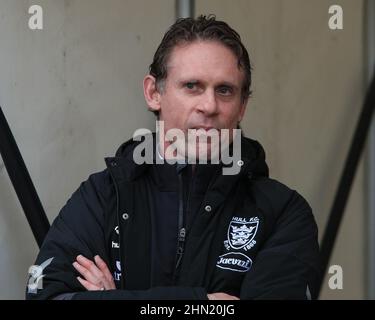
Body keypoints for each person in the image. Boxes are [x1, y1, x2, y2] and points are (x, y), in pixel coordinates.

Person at [26, 15, 320, 300]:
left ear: (242, 106)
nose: (209, 105)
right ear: (154, 93)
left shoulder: (282, 213)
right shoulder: (103, 198)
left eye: (225, 90)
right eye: (192, 86)